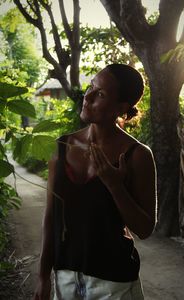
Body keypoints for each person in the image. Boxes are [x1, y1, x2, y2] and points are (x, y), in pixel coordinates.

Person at [33, 63, 157, 300]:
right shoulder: (60, 147)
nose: (87, 97)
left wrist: (115, 186)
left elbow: (144, 228)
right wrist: (43, 276)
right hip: (65, 279)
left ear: (122, 108)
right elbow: (51, 217)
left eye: (100, 94)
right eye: (91, 87)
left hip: (113, 284)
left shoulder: (137, 155)